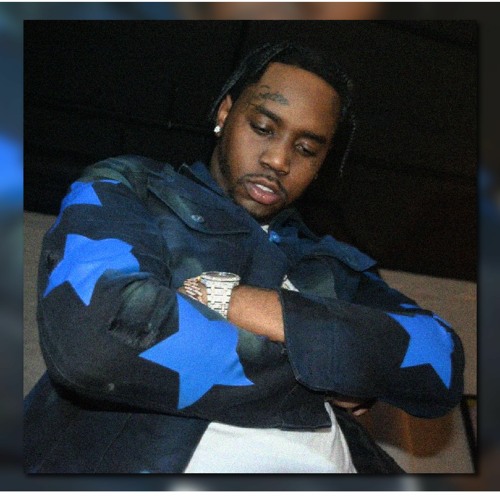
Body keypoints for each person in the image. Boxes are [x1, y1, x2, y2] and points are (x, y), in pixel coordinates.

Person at [24, 41, 464, 474]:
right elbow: (98, 338)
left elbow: (439, 358)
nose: (278, 159)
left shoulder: (334, 264)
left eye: (307, 149)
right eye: (263, 127)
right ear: (225, 113)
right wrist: (342, 365)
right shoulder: (133, 187)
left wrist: (231, 301)